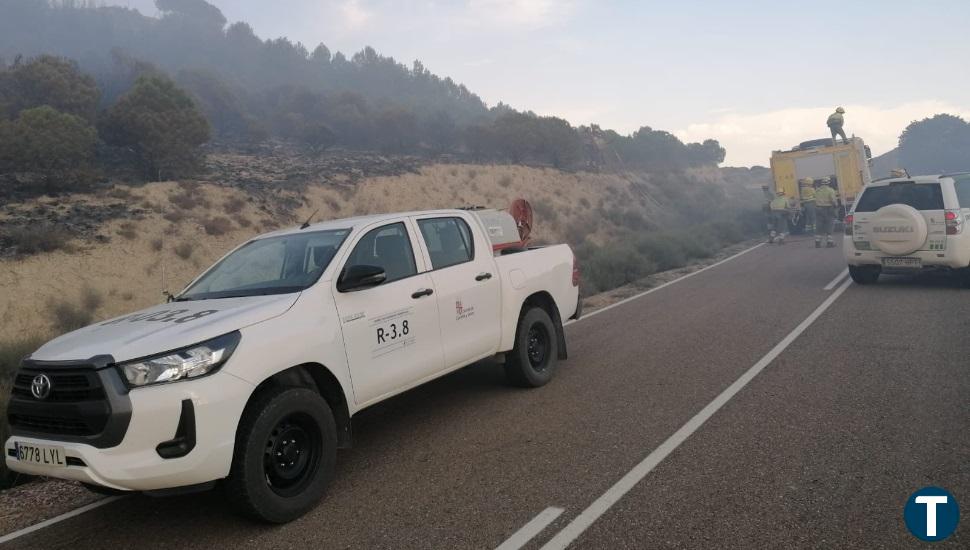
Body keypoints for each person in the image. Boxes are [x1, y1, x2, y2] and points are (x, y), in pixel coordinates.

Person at [814, 177, 839, 248]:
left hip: (818, 209)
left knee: (819, 226)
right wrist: (836, 206)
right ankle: (829, 243)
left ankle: (817, 243)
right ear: (829, 183)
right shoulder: (830, 190)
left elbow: (814, 200)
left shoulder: (817, 190)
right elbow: (833, 201)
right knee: (830, 225)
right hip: (828, 210)